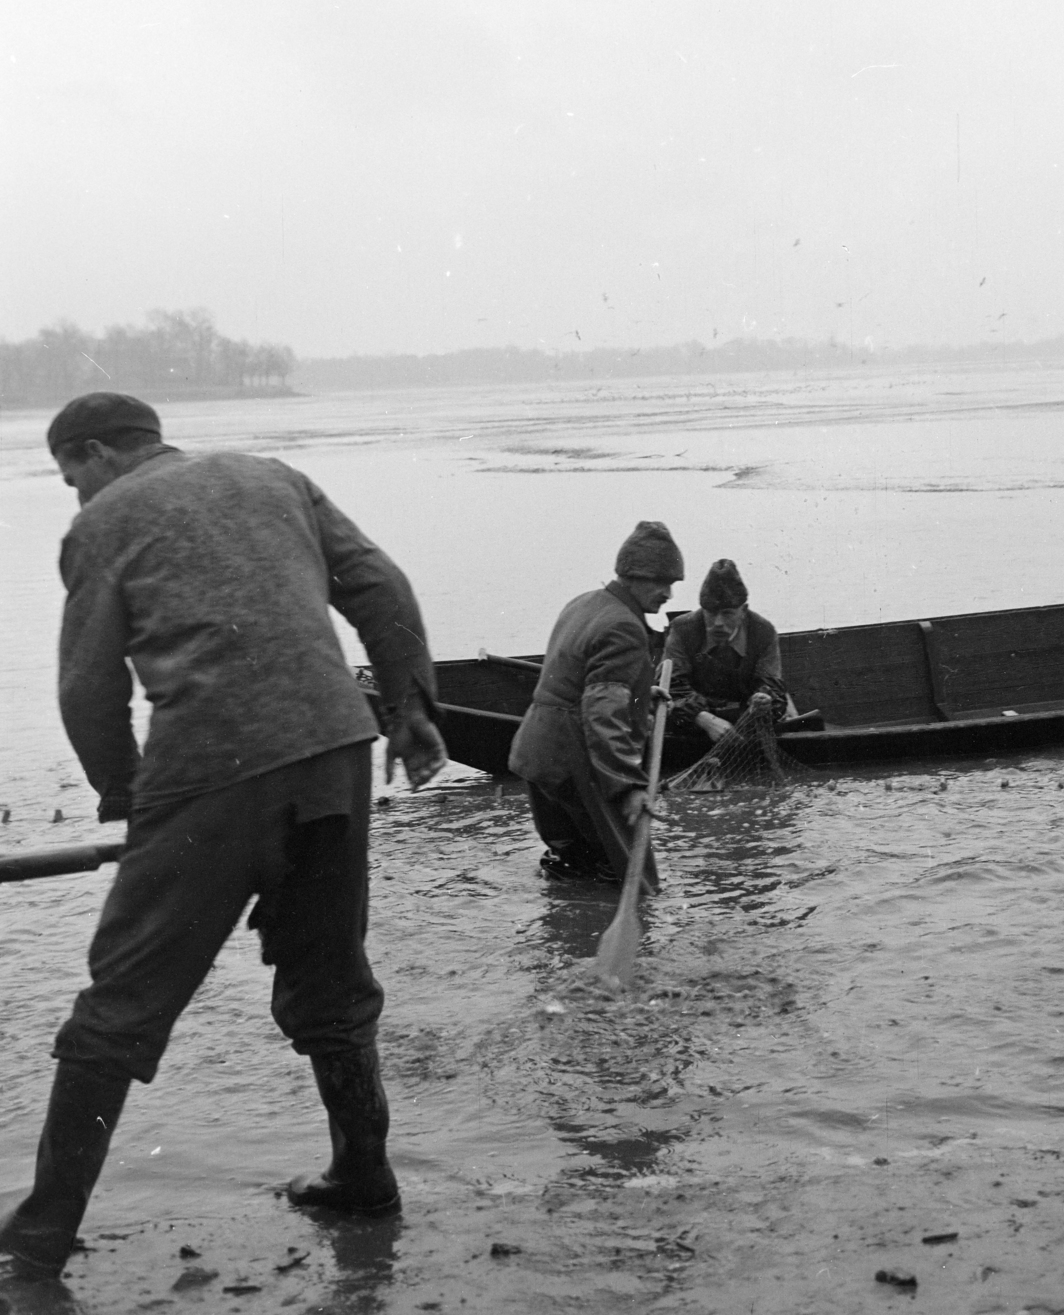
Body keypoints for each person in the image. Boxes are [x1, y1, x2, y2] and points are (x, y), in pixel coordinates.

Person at [0, 393, 447, 1279]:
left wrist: (128, 795)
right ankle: (365, 1177)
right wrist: (410, 710)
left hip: (211, 766)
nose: (76, 498)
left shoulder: (103, 524)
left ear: (94, 453)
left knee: (120, 1003)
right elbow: (382, 588)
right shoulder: (273, 478)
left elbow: (88, 691)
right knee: (331, 976)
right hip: (333, 752)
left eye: (70, 479)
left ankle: (42, 1231)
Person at [509, 520, 683, 887]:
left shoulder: (584, 603)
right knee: (633, 875)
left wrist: (639, 694)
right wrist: (627, 787)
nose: (668, 594)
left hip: (538, 750)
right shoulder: (624, 626)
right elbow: (601, 712)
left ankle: (570, 931)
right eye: (661, 582)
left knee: (572, 862)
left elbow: (579, 679)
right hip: (577, 757)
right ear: (635, 576)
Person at [664, 559, 788, 745]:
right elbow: (671, 687)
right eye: (711, 613)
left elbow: (772, 686)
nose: (718, 623)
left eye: (728, 613)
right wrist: (704, 719)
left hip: (748, 726)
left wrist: (764, 700)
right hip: (694, 726)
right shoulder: (682, 629)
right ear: (702, 609)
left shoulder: (763, 631)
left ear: (743, 611)